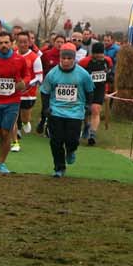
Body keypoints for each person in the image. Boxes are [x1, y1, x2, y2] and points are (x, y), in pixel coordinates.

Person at [0, 28, 33, 174]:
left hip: (12, 102)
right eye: (1, 43)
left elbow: (27, 75)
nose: (4, 45)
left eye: (6, 42)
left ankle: (1, 164)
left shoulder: (19, 60)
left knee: (5, 133)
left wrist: (24, 83)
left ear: (11, 43)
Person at [41, 46, 95, 177]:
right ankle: (59, 168)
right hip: (56, 111)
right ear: (60, 58)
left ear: (74, 59)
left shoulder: (83, 74)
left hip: (75, 112)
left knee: (72, 140)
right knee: (56, 141)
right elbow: (45, 92)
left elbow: (90, 91)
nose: (66, 61)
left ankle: (71, 151)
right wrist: (46, 108)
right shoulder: (52, 74)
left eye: (69, 58)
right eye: (63, 58)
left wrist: (88, 105)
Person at [83, 44, 112, 144]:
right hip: (87, 90)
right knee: (86, 111)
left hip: (100, 89)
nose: (101, 56)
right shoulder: (85, 62)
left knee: (95, 110)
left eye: (102, 53)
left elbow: (110, 75)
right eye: (98, 53)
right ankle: (86, 125)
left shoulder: (107, 61)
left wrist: (107, 90)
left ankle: (92, 134)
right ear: (93, 53)